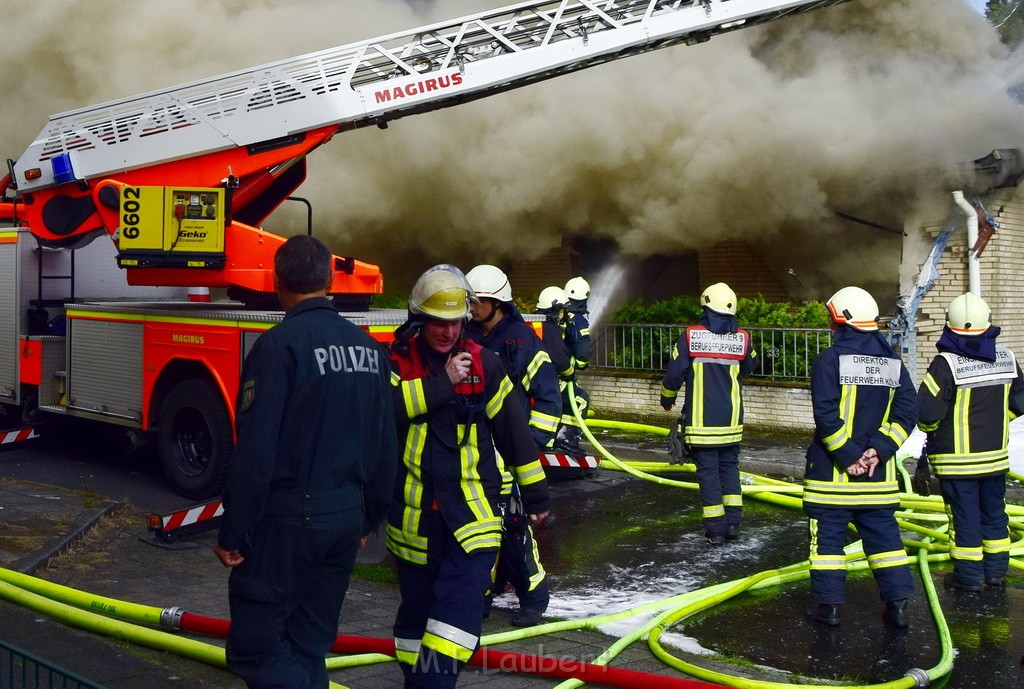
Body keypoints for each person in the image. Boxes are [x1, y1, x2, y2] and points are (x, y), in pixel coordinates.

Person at [214, 235, 399, 689]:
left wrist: (235, 530)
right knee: (309, 644)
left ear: (277, 280)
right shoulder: (371, 351)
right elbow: (385, 445)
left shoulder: (279, 348)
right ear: (331, 279)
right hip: (345, 520)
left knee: (256, 652)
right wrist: (366, 521)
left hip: (288, 524)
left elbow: (255, 451)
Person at [387, 264, 550, 688]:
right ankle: (417, 679)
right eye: (438, 323)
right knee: (415, 618)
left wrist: (536, 496)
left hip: (472, 516)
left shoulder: (485, 365)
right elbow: (379, 416)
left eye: (456, 322)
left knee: (457, 616)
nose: (447, 332)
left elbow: (514, 433)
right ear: (420, 320)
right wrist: (439, 383)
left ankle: (430, 684)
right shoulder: (396, 363)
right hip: (413, 522)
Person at [803, 286, 917, 629]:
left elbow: (825, 415)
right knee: (887, 544)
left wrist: (850, 457)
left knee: (827, 546)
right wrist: (878, 452)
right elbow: (908, 412)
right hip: (877, 480)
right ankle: (897, 609)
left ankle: (830, 610)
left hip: (831, 480)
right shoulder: (893, 363)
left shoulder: (828, 360)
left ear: (841, 321)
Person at [465, 264, 559, 627]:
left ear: (499, 302)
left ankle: (534, 600)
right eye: (470, 299)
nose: (472, 306)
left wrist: (530, 444)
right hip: (477, 456)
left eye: (479, 300)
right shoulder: (469, 338)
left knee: (516, 530)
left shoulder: (521, 340)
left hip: (510, 457)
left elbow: (548, 396)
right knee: (479, 531)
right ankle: (481, 598)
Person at [916, 292, 1024, 591]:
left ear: (950, 326)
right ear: (988, 324)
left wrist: (935, 429)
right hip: (994, 459)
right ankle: (995, 574)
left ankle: (969, 577)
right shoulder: (1007, 357)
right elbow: (1020, 401)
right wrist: (998, 421)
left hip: (955, 463)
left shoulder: (945, 364)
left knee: (964, 520)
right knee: (994, 517)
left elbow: (926, 414)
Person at [660, 282, 757, 545]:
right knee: (729, 471)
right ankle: (733, 526)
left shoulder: (691, 336)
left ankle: (715, 531)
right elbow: (749, 369)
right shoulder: (744, 338)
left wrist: (666, 400)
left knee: (709, 476)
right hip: (732, 424)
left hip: (702, 425)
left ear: (705, 307)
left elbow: (674, 375)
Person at [536, 285, 589, 459]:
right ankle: (565, 442)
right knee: (580, 399)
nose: (564, 314)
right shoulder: (550, 328)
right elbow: (559, 359)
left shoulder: (533, 323)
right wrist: (570, 373)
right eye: (562, 310)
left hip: (533, 379)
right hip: (548, 381)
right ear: (556, 309)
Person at [555, 277, 594, 454]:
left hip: (545, 371)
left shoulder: (556, 314)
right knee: (580, 400)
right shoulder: (578, 320)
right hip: (561, 375)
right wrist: (581, 363)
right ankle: (566, 442)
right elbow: (583, 348)